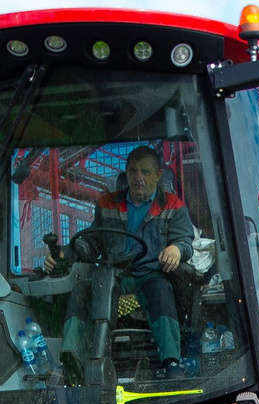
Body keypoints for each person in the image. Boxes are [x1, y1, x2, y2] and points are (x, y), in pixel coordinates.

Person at [85, 146, 199, 371]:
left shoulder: (173, 206)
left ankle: (171, 361)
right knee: (83, 291)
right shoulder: (107, 204)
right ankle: (73, 359)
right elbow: (91, 242)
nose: (138, 177)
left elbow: (185, 242)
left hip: (149, 276)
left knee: (159, 288)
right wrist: (67, 252)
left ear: (158, 175)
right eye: (133, 171)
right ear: (125, 174)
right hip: (114, 277)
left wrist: (176, 249)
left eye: (145, 172)